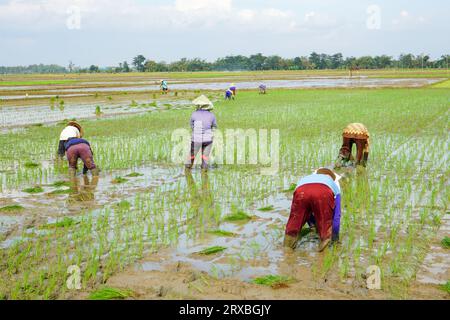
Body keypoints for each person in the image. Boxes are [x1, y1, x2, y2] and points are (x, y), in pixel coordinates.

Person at [283, 168, 342, 252]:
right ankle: (323, 256)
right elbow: (337, 216)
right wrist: (335, 239)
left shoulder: (305, 179)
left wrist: (313, 225)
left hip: (300, 190)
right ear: (332, 178)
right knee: (325, 226)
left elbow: (306, 210)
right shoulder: (334, 186)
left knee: (294, 222)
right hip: (324, 192)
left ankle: (286, 252)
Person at [185, 95, 217, 171]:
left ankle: (187, 170)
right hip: (208, 140)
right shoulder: (212, 115)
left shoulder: (194, 114)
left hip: (196, 139)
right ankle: (204, 172)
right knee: (205, 157)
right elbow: (214, 126)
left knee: (191, 156)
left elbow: (192, 126)